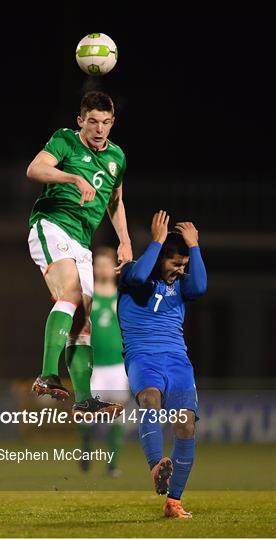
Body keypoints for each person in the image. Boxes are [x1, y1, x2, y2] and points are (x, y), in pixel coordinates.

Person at [26, 91, 132, 419]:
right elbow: (35, 169)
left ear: (112, 123)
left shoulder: (117, 157)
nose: (99, 128)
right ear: (80, 121)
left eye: (105, 122)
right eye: (92, 121)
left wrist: (125, 240)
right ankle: (47, 375)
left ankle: (84, 399)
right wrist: (73, 176)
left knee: (84, 319)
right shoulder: (65, 141)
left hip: (81, 242)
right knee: (71, 294)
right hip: (52, 224)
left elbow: (115, 200)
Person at [117, 210, 207, 518]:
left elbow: (199, 288)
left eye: (184, 265)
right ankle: (156, 465)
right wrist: (156, 242)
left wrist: (194, 247)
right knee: (150, 400)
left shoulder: (183, 285)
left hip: (178, 360)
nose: (180, 271)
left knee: (185, 425)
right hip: (142, 356)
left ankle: (174, 502)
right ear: (159, 258)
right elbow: (141, 276)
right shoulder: (132, 273)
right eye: (175, 263)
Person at [78, 246, 130, 476]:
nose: (101, 269)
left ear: (115, 268)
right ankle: (86, 452)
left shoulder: (123, 297)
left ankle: (112, 464)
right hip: (93, 366)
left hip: (118, 366)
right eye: (97, 264)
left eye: (105, 264)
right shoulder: (87, 295)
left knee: (115, 416)